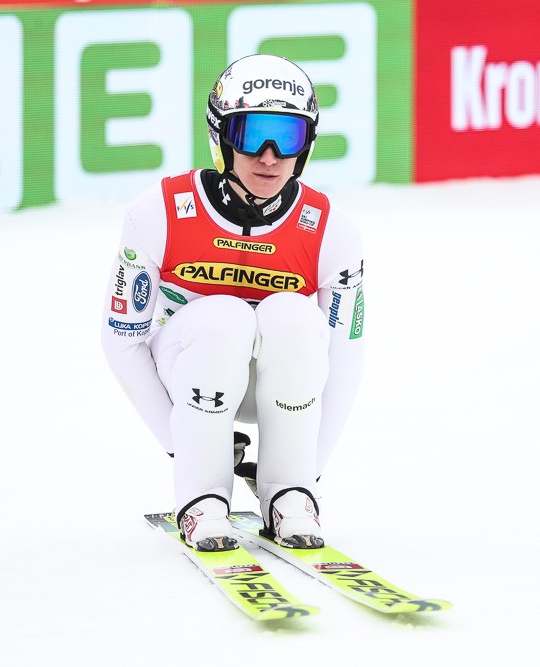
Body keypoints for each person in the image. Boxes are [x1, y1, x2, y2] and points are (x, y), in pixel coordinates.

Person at [101, 54, 364, 552]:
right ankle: (202, 499)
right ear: (221, 138)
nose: (269, 157)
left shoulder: (332, 232)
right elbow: (122, 341)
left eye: (287, 137)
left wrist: (307, 473)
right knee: (223, 318)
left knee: (293, 316)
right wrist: (182, 447)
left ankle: (287, 493)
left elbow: (346, 355)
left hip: (277, 386)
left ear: (306, 146)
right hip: (187, 373)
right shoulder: (157, 213)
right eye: (252, 134)